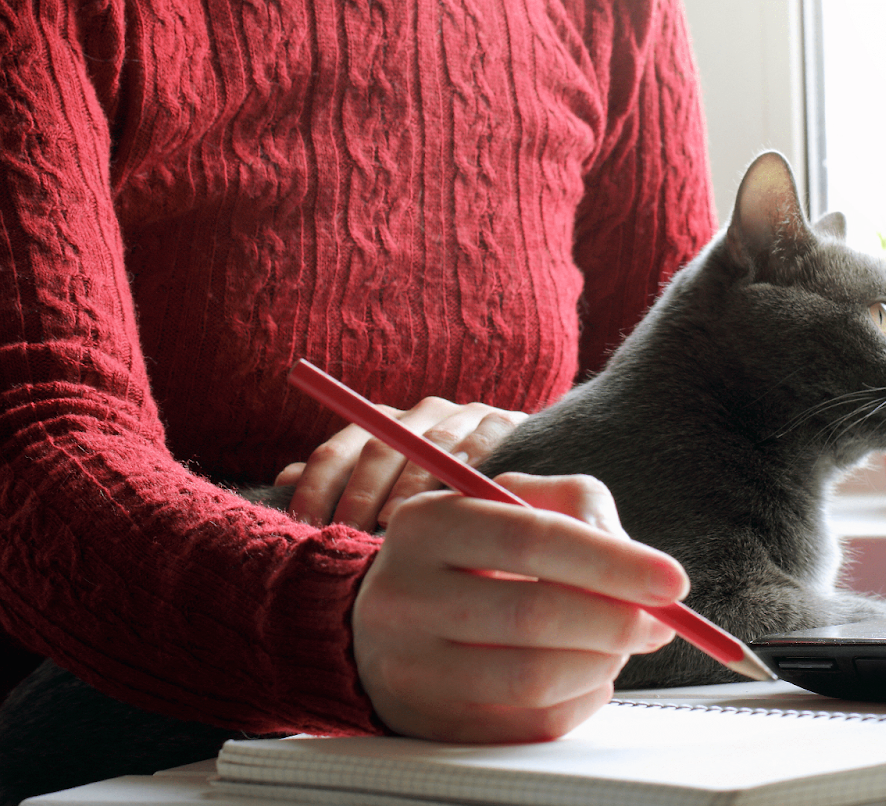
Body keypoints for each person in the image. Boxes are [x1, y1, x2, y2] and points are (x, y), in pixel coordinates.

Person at [0, 0, 717, 746]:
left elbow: (685, 418)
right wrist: (336, 619)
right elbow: (35, 436)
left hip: (535, 721)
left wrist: (530, 441)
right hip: (112, 741)